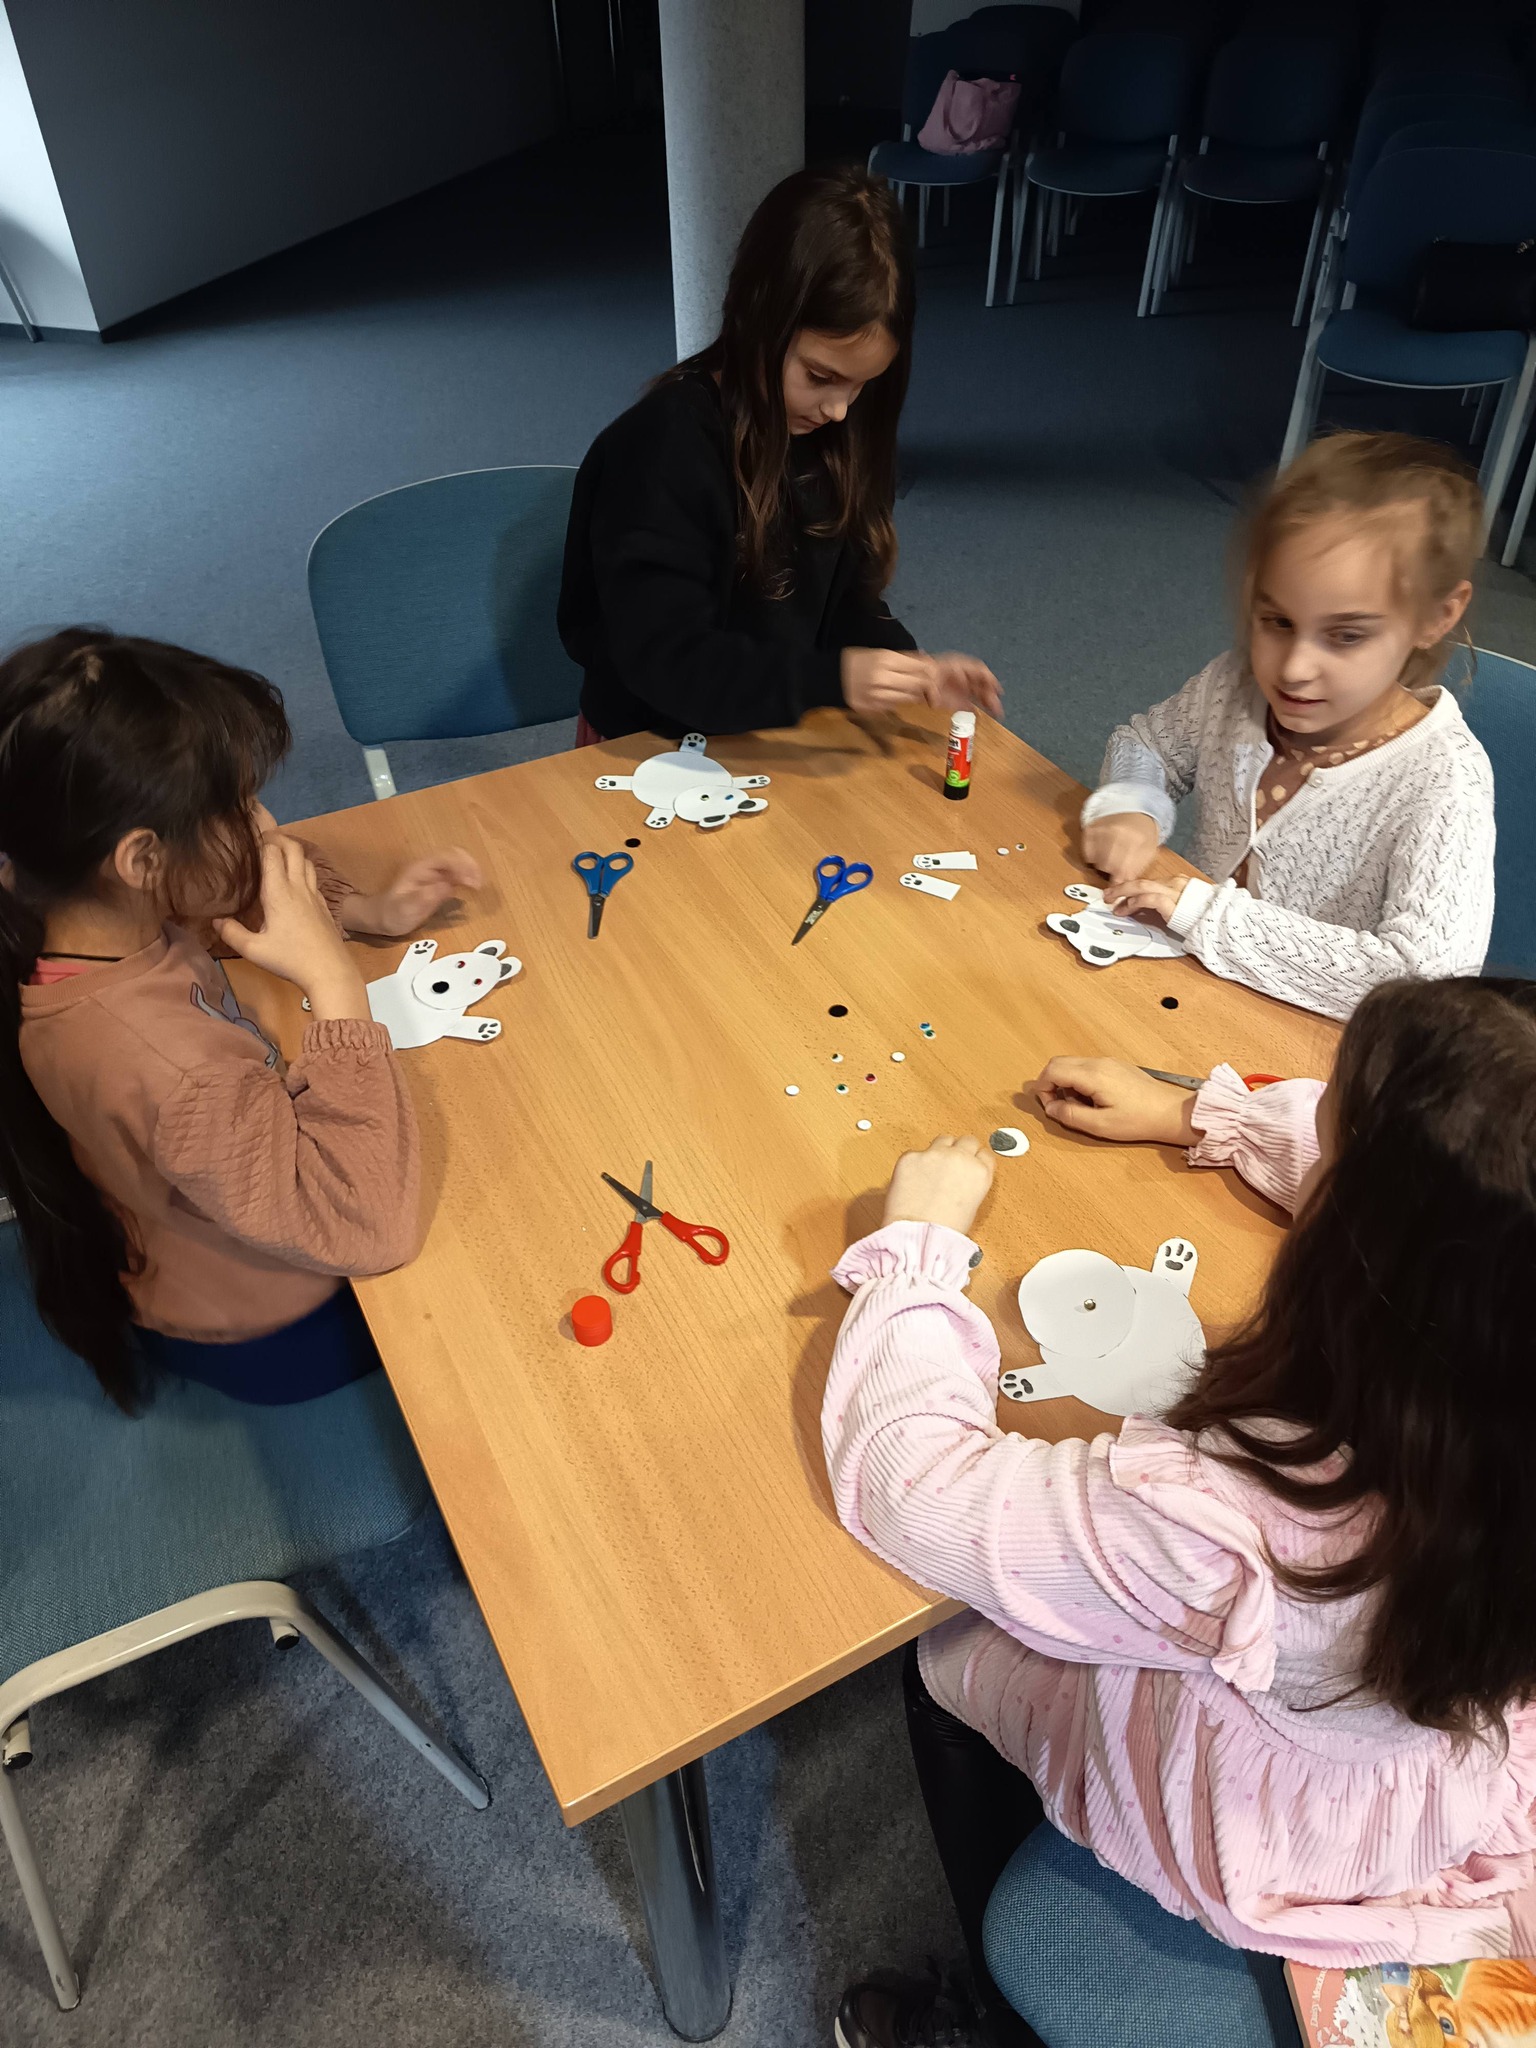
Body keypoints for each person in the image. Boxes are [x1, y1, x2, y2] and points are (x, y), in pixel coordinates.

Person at [826, 978, 1536, 2048]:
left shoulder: (1246, 1520)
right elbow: (1466, 1213)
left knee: (949, 1646)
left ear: (1362, 1258)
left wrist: (917, 1249)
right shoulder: (1489, 1385)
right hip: (1437, 1751)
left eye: (1330, 1136)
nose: (1309, 1123)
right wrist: (1198, 1113)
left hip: (1277, 1821)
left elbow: (908, 1480)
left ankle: (989, 2009)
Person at [0, 628, 482, 1409]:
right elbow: (367, 1225)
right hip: (273, 1328)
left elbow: (223, 896)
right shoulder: (166, 1066)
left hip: (213, 1216)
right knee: (485, 1270)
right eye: (233, 805)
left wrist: (363, 910)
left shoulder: (69, 910)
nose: (263, 820)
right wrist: (333, 981)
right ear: (140, 860)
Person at [558, 163, 1001, 742]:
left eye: (861, 385)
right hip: (647, 743)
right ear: (758, 320)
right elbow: (668, 663)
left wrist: (904, 665)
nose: (838, 409)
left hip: (764, 731)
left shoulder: (836, 435)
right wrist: (831, 679)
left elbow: (843, 600)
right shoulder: (663, 447)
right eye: (820, 376)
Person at [1078, 432, 1495, 1021]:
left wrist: (1209, 917)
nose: (1294, 669)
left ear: (1437, 616)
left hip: (1305, 1050)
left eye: (1345, 635)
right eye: (1277, 621)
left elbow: (1426, 984)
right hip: (1178, 985)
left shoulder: (1444, 781)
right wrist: (1133, 803)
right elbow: (1147, 744)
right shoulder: (1234, 685)